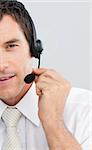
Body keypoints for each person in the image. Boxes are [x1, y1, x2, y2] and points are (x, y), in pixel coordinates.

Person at [0, 0, 91, 150]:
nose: (1, 65)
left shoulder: (84, 110)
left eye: (11, 46)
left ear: (34, 50)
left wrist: (53, 122)